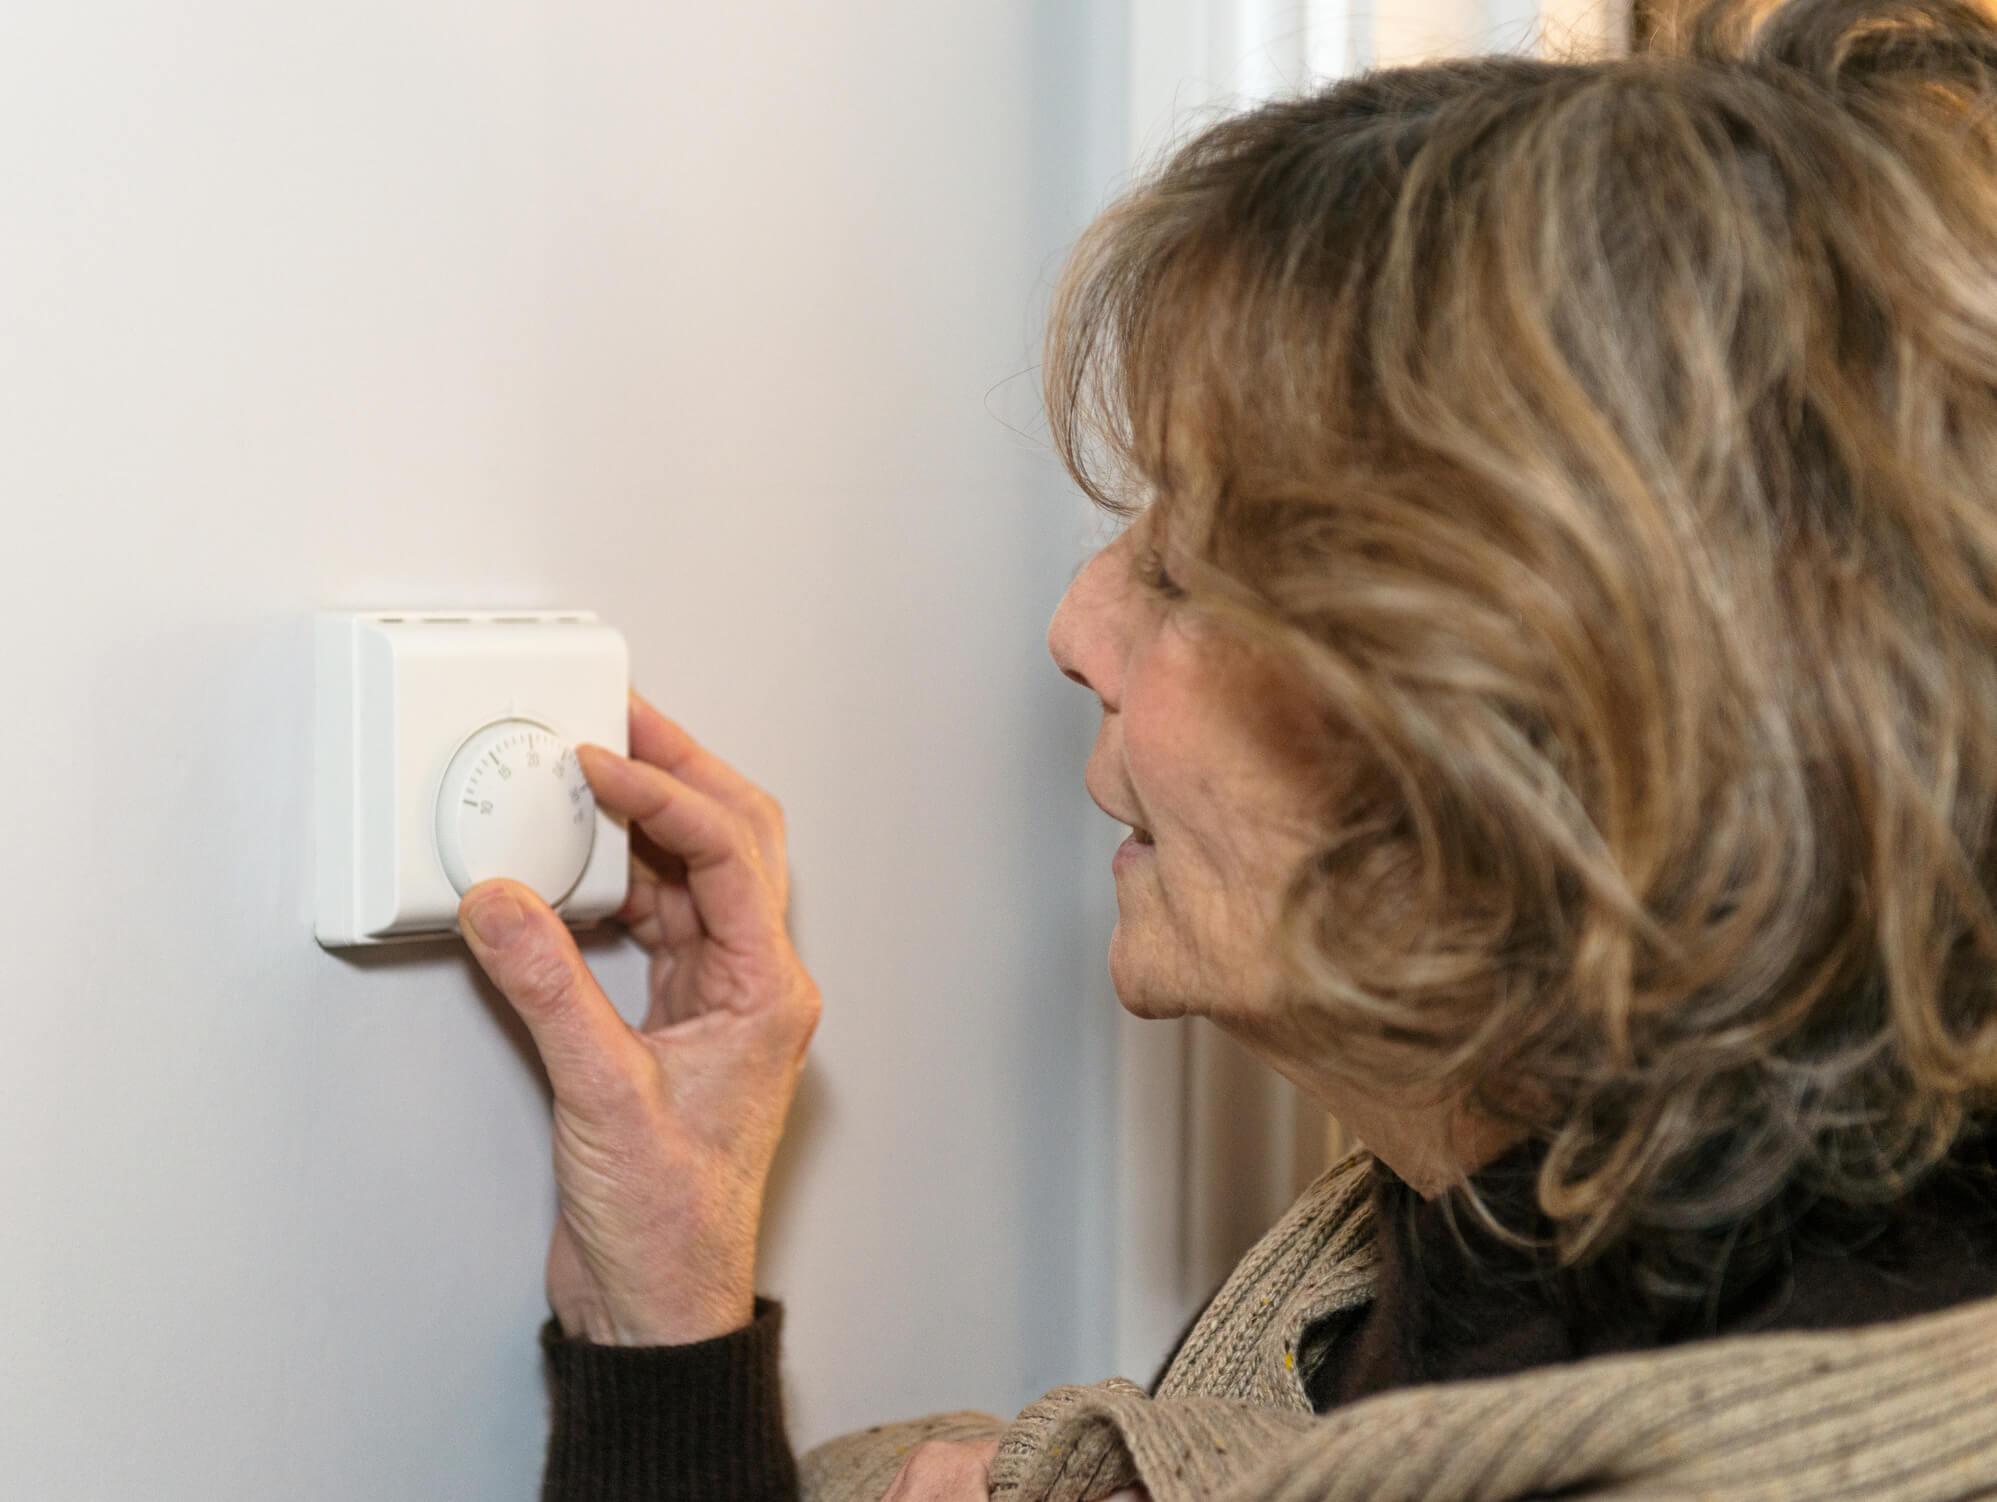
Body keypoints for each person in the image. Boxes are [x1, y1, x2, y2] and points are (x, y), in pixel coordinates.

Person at [455, 0, 1997, 1496]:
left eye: (1193, 569)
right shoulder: (1411, 1275)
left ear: (1540, 742)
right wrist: (664, 1314)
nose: (1076, 623)